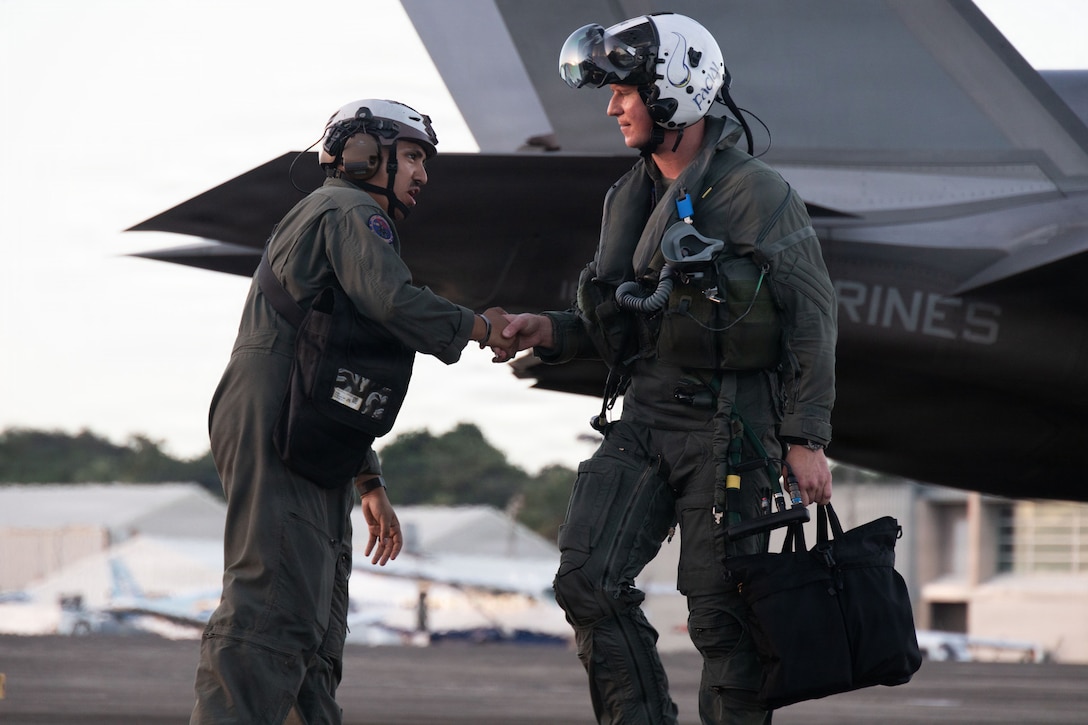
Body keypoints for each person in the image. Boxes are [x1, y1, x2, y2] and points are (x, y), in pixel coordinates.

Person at [499, 13, 837, 724]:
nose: (613, 106)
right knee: (587, 581)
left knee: (723, 620)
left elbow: (812, 314)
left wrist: (805, 435)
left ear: (675, 93)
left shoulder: (755, 193)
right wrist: (551, 331)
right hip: (648, 416)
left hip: (731, 424)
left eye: (624, 91)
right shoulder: (630, 197)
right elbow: (628, 316)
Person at [191, 99, 515, 724]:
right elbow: (392, 302)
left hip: (302, 417)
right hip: (276, 411)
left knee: (312, 618)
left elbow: (329, 363)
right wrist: (481, 326)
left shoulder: (336, 214)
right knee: (272, 607)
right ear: (368, 154)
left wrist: (366, 478)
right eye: (414, 157)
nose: (423, 175)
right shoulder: (350, 209)